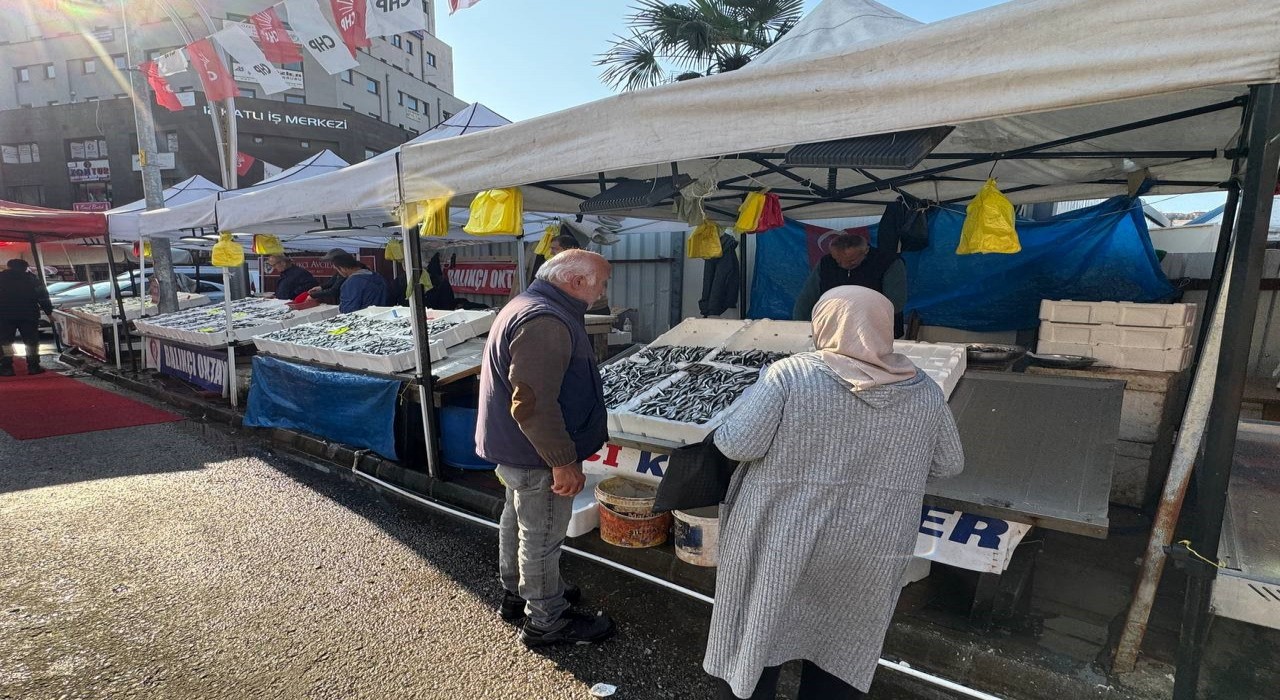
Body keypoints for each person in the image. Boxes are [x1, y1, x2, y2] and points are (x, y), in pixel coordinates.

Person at [704, 286, 964, 700]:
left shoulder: (790, 375)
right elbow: (949, 464)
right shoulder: (924, 390)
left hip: (783, 534)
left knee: (758, 634)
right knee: (842, 646)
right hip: (871, 544)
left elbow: (738, 445)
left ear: (824, 322)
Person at [476, 249, 616, 647]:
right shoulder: (546, 320)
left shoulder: (528, 304)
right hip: (537, 454)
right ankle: (546, 620)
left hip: (515, 448)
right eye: (601, 282)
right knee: (541, 535)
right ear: (576, 282)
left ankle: (517, 594)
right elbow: (532, 402)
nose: (603, 290)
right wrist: (562, 461)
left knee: (516, 519)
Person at [792, 233, 907, 336]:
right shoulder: (826, 263)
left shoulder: (889, 263)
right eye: (838, 260)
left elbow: (895, 303)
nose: (844, 265)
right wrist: (799, 326)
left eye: (852, 261)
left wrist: (861, 322)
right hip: (834, 332)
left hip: (878, 332)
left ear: (866, 250)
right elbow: (807, 297)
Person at [0, 259, 54, 376]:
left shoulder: (1, 278)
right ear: (25, 268)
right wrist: (49, 312)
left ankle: (7, 367)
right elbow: (43, 297)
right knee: (31, 342)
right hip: (29, 315)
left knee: (6, 342)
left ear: (8, 267)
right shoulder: (32, 279)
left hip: (5, 316)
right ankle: (33, 366)